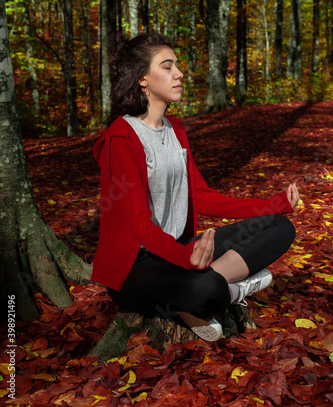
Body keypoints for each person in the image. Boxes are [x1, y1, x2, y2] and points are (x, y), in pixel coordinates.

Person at [91, 32, 299, 342]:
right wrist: (184, 259)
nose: (179, 74)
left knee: (280, 227)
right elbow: (138, 223)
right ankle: (228, 289)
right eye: (167, 66)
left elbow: (200, 196)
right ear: (143, 79)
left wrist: (274, 204)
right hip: (137, 268)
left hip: (181, 251)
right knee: (208, 288)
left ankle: (194, 296)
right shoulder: (120, 139)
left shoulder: (175, 129)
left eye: (177, 65)